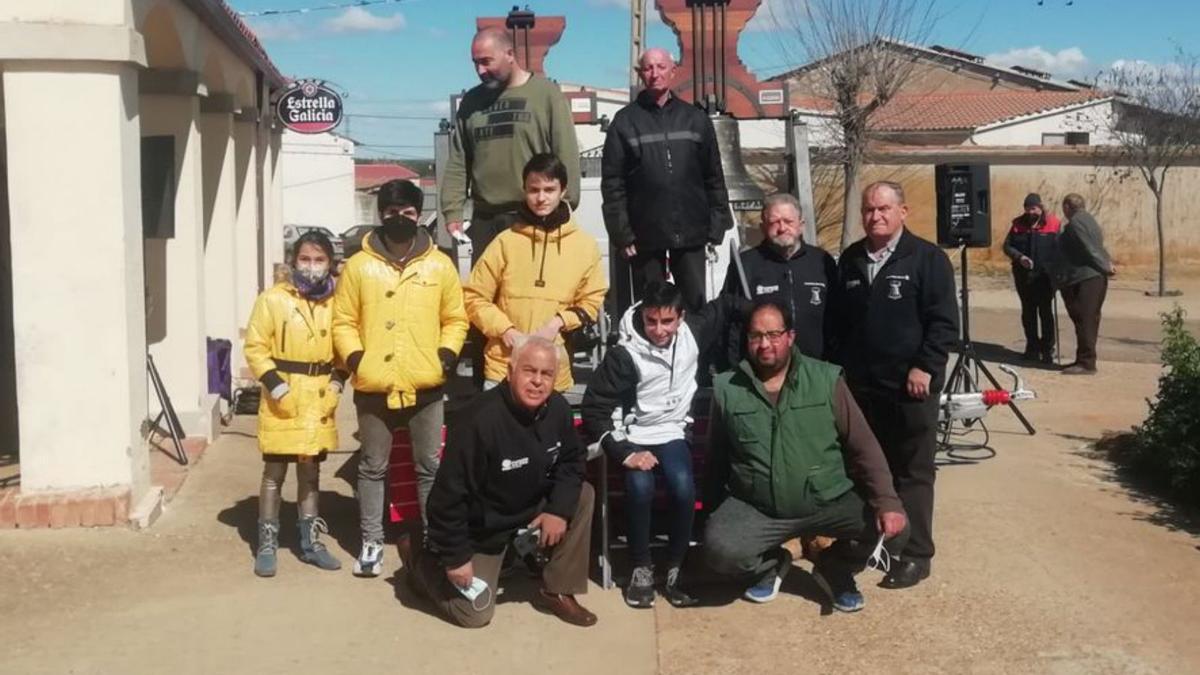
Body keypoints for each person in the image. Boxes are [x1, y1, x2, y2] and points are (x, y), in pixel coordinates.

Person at [703, 302, 908, 612]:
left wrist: (887, 502)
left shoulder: (826, 380)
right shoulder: (727, 388)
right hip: (760, 507)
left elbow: (864, 446)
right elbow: (716, 457)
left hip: (826, 501)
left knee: (898, 531)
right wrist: (712, 513)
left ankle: (834, 565)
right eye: (756, 336)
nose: (765, 344)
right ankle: (772, 563)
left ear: (790, 337)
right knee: (719, 551)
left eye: (773, 334)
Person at [407, 338, 598, 628]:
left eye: (546, 374)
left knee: (582, 495)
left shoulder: (557, 408)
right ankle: (420, 562)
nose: (537, 382)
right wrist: (456, 558)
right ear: (510, 371)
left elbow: (573, 461)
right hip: (483, 529)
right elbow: (446, 500)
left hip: (528, 506)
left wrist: (558, 510)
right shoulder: (478, 421)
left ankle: (556, 588)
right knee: (474, 615)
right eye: (529, 371)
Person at [333, 179, 469, 578]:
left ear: (418, 215)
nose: (399, 219)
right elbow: (343, 321)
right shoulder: (359, 266)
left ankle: (431, 540)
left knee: (429, 466)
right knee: (373, 466)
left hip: (426, 383)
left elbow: (455, 318)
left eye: (407, 213)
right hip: (374, 383)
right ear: (380, 215)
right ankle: (372, 541)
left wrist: (445, 356)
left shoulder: (439, 264)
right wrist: (358, 359)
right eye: (391, 213)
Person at [830, 181, 958, 590]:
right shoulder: (850, 260)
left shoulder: (928, 259)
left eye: (884, 209)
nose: (875, 216)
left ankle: (915, 553)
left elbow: (944, 323)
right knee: (867, 468)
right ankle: (869, 541)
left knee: (913, 472)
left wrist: (925, 366)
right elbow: (839, 326)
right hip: (863, 389)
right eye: (869, 210)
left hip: (910, 389)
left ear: (903, 212)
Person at [581, 281, 731, 609]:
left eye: (667, 321)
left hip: (673, 430)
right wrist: (625, 452)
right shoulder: (625, 355)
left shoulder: (694, 331)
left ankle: (676, 567)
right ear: (642, 317)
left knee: (682, 487)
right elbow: (594, 407)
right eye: (651, 321)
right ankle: (640, 567)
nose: (659, 330)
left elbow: (727, 305)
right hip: (634, 435)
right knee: (639, 488)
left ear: (681, 318)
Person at [244, 231, 347, 577]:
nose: (312, 267)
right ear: (293, 261)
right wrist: (274, 386)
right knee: (274, 472)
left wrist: (336, 382)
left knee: (310, 472)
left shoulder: (337, 302)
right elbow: (256, 346)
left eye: (319, 260)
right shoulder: (273, 299)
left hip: (318, 396)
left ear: (330, 264)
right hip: (283, 395)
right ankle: (267, 541)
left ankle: (310, 541)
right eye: (305, 259)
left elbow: (346, 346)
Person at [601, 47, 731, 313]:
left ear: (673, 71)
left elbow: (713, 176)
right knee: (653, 311)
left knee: (694, 309)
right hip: (645, 237)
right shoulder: (624, 122)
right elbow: (613, 184)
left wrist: (717, 224)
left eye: (661, 67)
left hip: (692, 234)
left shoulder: (695, 119)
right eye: (648, 68)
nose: (654, 74)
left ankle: (696, 355)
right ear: (640, 74)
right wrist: (622, 234)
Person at [463, 153, 607, 393]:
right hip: (503, 368)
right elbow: (473, 296)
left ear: (563, 191)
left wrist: (558, 323)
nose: (541, 198)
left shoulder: (585, 246)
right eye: (534, 190)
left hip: (552, 370)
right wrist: (506, 331)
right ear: (524, 190)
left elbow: (592, 301)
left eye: (549, 190)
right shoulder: (504, 242)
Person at [441, 27, 582, 262]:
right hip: (485, 220)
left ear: (509, 54)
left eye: (486, 62)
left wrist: (564, 205)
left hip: (534, 216)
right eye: (475, 63)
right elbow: (459, 159)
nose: (480, 71)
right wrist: (452, 209)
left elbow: (565, 154)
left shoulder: (546, 94)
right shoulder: (472, 101)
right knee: (486, 296)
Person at [721, 193, 836, 367]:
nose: (782, 228)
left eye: (788, 221)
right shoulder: (745, 265)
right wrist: (732, 367)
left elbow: (837, 317)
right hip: (762, 370)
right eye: (774, 222)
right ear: (763, 227)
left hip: (815, 369)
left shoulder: (821, 261)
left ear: (801, 225)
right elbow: (730, 321)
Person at [1055, 193, 1115, 375]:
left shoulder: (1076, 223)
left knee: (1085, 320)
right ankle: (1083, 359)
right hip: (1090, 277)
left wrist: (1105, 266)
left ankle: (1087, 363)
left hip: (1086, 278)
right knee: (1087, 319)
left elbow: (1089, 248)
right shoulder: (1088, 219)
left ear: (1066, 207)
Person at [1002, 193, 1061, 364]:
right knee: (1028, 312)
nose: (1030, 212)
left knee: (1045, 312)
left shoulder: (1054, 223)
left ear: (1040, 207)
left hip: (1045, 277)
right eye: (1027, 208)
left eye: (1033, 208)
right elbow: (1007, 246)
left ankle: (1048, 348)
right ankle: (1032, 348)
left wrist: (1056, 271)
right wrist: (1020, 257)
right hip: (1023, 276)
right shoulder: (1017, 223)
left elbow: (1060, 249)